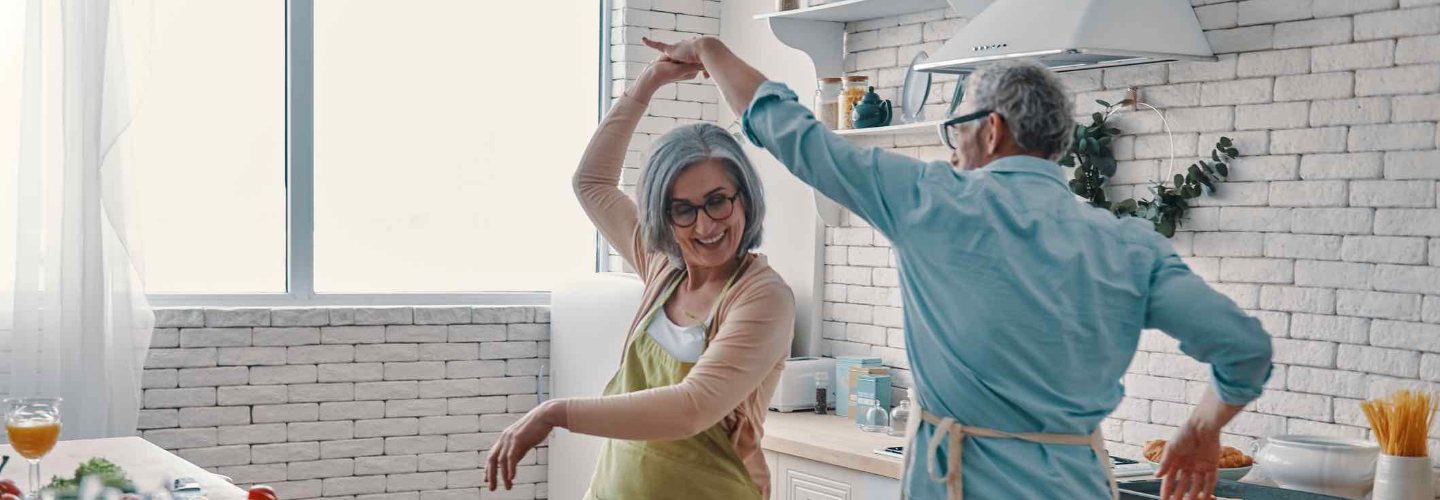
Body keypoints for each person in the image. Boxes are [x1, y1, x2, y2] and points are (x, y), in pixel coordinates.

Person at [641, 35, 1274, 500]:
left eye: (957, 127)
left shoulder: (930, 200)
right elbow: (1245, 351)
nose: (953, 145)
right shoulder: (1131, 245)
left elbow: (793, 134)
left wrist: (711, 51)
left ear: (991, 130)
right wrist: (1200, 429)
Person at [482, 54, 795, 500]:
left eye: (717, 201)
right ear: (662, 219)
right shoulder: (662, 268)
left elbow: (692, 407)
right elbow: (591, 182)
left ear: (744, 199)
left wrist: (553, 413)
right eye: (683, 209)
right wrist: (647, 83)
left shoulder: (762, 298)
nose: (705, 226)